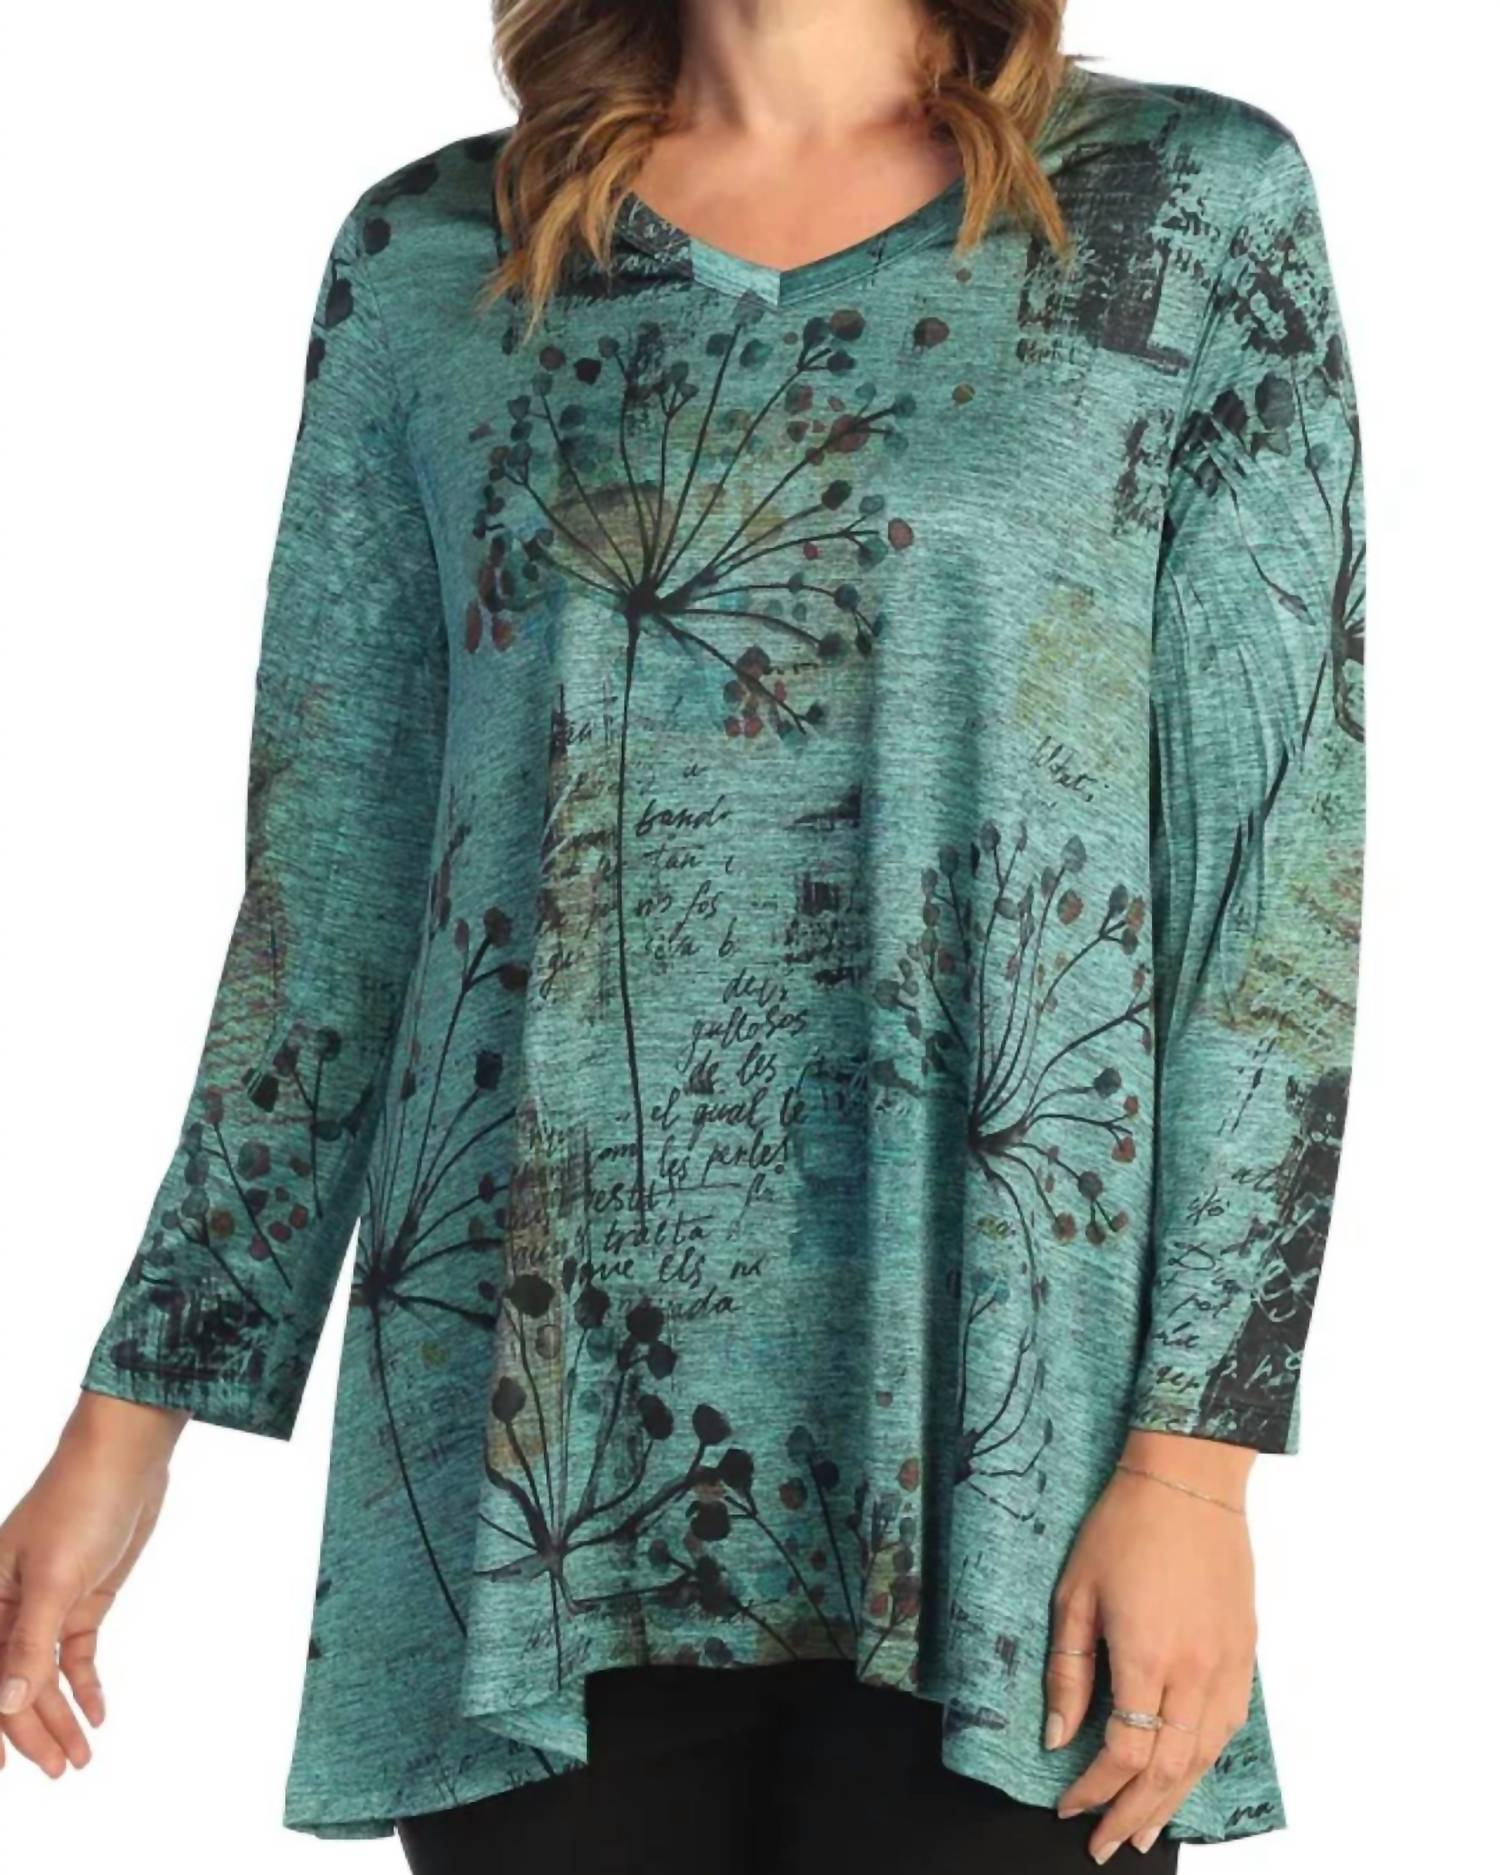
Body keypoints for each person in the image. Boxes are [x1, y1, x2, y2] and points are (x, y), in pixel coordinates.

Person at [0, 2, 1366, 1870]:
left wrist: (1193, 1472)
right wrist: (129, 1420)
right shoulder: (435, 258)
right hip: (525, 1463)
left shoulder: (1184, 210)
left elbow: (1270, 888)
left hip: (1014, 1470)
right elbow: (335, 886)